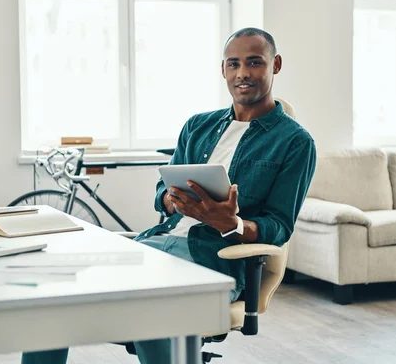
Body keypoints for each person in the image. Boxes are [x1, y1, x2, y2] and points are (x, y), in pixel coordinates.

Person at [21, 27, 317, 364]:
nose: (243, 74)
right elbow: (161, 191)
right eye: (233, 64)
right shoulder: (198, 126)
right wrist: (172, 200)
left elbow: (278, 227)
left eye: (254, 63)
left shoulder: (295, 142)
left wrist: (230, 224)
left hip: (215, 261)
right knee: (53, 297)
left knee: (151, 305)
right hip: (156, 245)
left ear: (275, 65)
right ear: (223, 70)